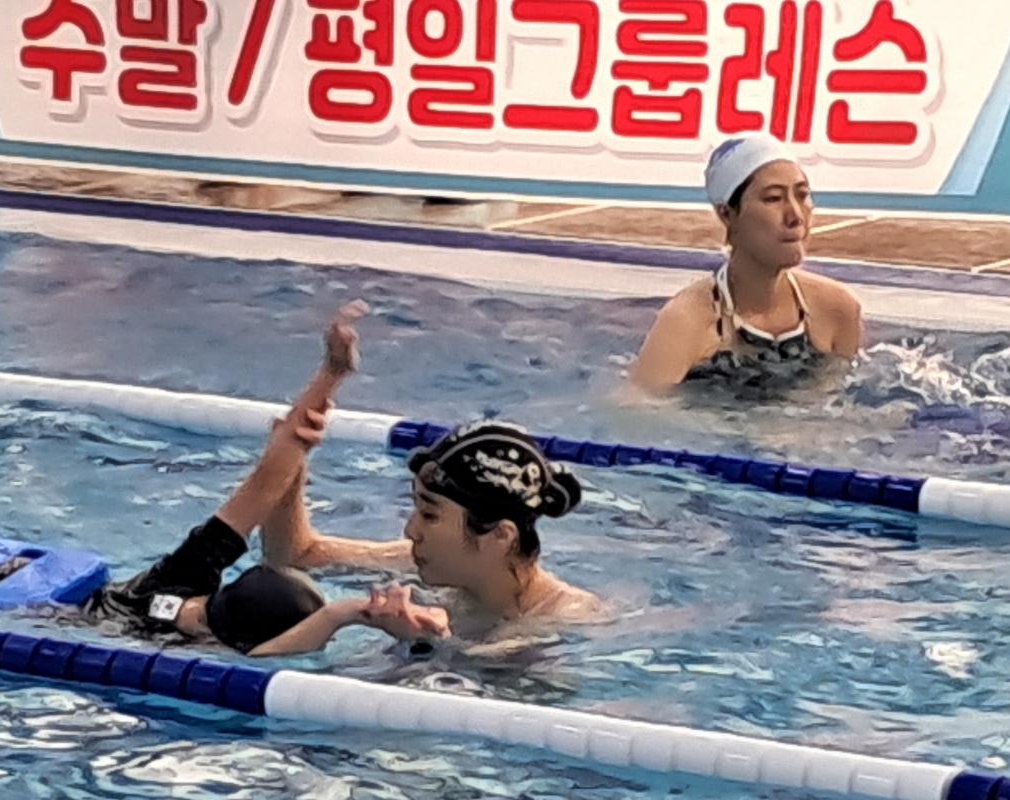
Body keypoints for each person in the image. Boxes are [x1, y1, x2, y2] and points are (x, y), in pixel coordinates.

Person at [83, 301, 450, 656]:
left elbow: (271, 472)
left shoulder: (177, 581)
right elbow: (266, 652)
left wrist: (331, 373)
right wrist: (345, 614)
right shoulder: (178, 592)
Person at [256, 384, 602, 647]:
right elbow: (294, 557)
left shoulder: (565, 620)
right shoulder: (412, 563)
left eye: (429, 515)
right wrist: (288, 460)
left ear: (500, 534)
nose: (411, 530)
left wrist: (422, 645)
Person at [629, 134, 863, 400]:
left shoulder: (838, 309)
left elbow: (839, 405)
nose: (796, 216)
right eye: (773, 198)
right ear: (727, 214)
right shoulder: (686, 322)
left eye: (802, 195)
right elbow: (635, 408)